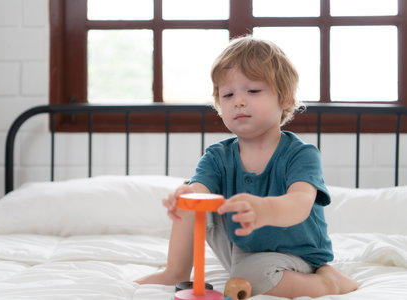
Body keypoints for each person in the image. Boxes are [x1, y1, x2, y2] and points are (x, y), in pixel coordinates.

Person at [135, 36, 358, 298]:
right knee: (190, 196)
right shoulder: (218, 156)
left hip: (295, 253)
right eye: (228, 94)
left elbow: (300, 203)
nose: (238, 101)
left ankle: (328, 282)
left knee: (251, 276)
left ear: (284, 98)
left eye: (252, 91)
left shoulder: (300, 154)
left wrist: (265, 210)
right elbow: (201, 189)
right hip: (242, 246)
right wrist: (185, 196)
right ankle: (176, 271)